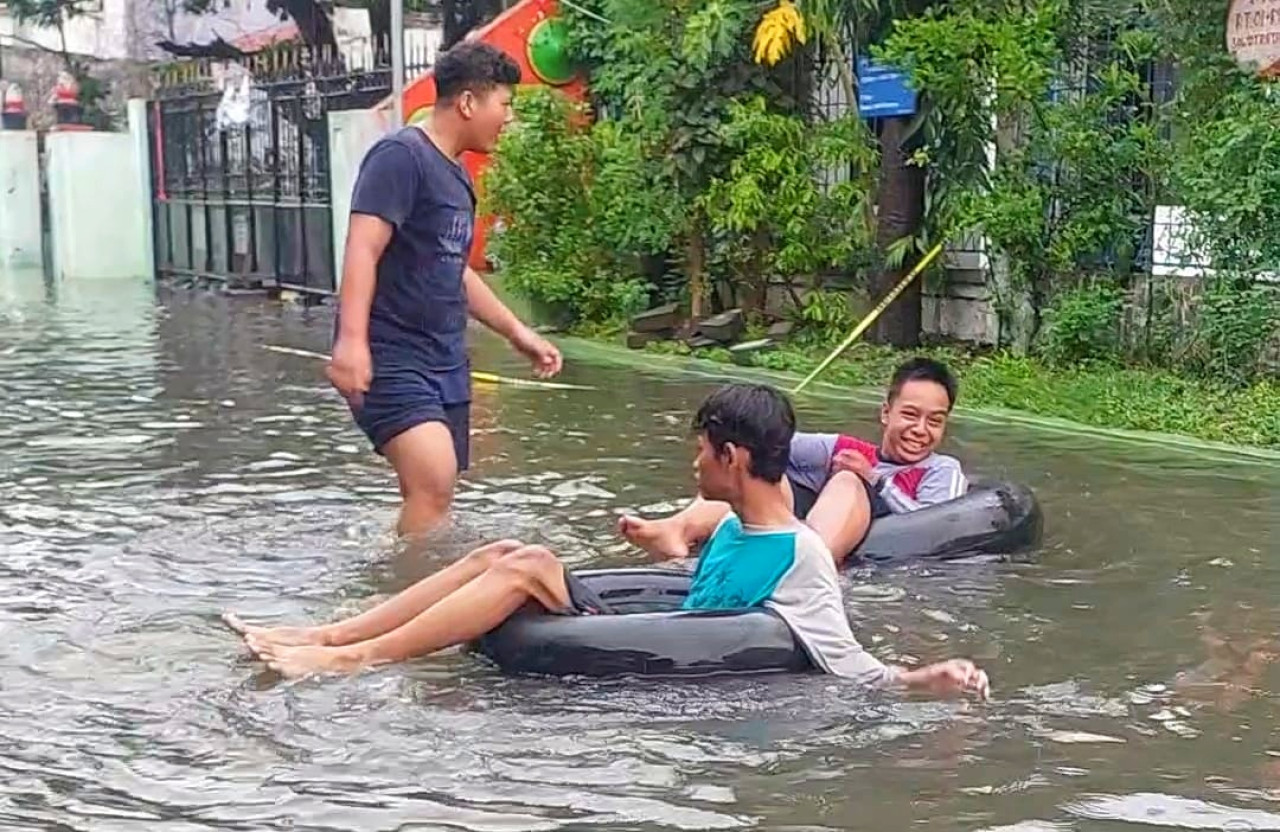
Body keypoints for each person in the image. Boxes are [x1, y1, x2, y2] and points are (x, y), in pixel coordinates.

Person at [224, 383, 989, 698]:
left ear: (732, 459)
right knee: (504, 553)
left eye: (702, 451)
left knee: (524, 565)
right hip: (657, 614)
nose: (693, 463)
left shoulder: (801, 556)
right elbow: (682, 585)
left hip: (654, 642)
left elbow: (849, 661)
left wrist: (927, 679)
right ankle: (326, 633)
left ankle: (346, 660)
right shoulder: (728, 524)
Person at [325, 41, 563, 538]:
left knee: (435, 488)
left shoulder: (455, 175)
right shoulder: (400, 157)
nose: (508, 119)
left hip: (445, 359)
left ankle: (414, 587)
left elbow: (453, 268)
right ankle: (408, 600)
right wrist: (350, 342)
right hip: (392, 355)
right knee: (433, 481)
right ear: (469, 102)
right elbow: (362, 248)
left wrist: (518, 334)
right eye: (505, 104)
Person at [619, 357, 967, 566]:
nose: (920, 430)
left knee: (848, 480)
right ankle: (676, 529)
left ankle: (800, 568)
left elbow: (936, 525)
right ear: (886, 413)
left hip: (845, 546)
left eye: (934, 421)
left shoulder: (941, 470)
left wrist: (873, 478)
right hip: (800, 524)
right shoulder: (844, 447)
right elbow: (766, 445)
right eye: (910, 415)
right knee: (764, 471)